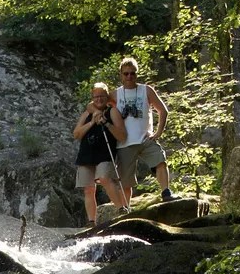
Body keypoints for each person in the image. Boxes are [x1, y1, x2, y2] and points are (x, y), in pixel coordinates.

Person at [114, 57, 174, 206]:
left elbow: (163, 111)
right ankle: (125, 211)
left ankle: (166, 193)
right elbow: (97, 104)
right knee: (126, 181)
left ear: (137, 74)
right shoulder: (115, 94)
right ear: (121, 75)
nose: (129, 77)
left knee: (160, 161)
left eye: (132, 73)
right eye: (126, 73)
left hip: (145, 139)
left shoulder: (146, 90)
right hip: (124, 143)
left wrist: (158, 133)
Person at [72, 81, 128, 223]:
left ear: (107, 96)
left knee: (104, 178)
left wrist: (106, 123)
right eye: (96, 96)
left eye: (102, 96)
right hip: (86, 154)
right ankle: (91, 222)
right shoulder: (87, 114)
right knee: (88, 189)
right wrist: (91, 123)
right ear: (92, 97)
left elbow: (122, 135)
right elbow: (76, 134)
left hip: (105, 153)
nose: (99, 99)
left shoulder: (112, 112)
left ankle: (121, 209)